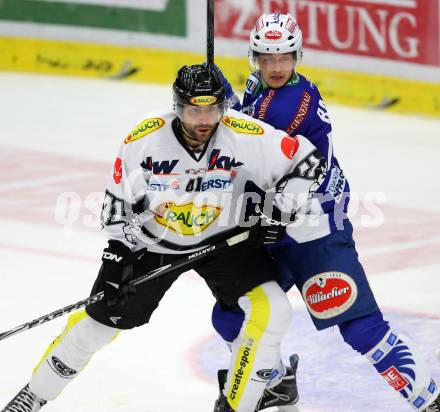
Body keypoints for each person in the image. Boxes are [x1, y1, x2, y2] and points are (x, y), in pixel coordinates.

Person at [2, 64, 329, 412]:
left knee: (274, 310)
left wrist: (279, 209)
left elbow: (308, 162)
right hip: (155, 243)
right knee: (97, 324)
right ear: (177, 107)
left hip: (227, 241)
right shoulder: (143, 140)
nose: (204, 120)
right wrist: (117, 256)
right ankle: (32, 396)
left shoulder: (243, 133)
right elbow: (116, 211)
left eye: (212, 110)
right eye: (193, 110)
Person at [212, 12, 440, 412]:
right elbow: (246, 129)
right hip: (275, 225)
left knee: (360, 328)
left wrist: (214, 107)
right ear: (256, 59)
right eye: (267, 58)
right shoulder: (260, 87)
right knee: (233, 315)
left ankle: (429, 398)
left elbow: (240, 146)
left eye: (284, 58)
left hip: (314, 230)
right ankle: (274, 382)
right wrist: (223, 98)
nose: (276, 67)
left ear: (297, 56)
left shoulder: (290, 103)